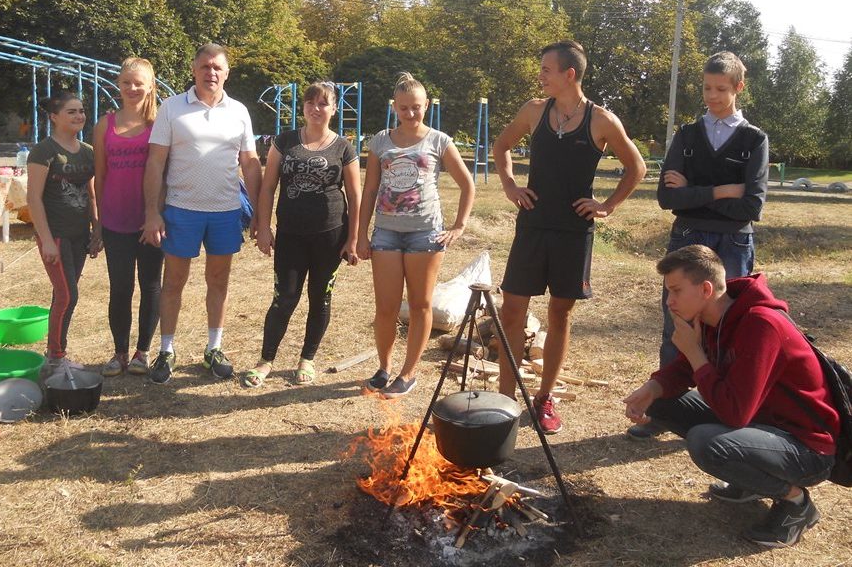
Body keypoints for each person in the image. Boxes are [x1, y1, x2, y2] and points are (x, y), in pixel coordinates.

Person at [624, 246, 838, 548]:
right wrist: (653, 388)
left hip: (808, 449)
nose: (669, 301)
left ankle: (796, 504)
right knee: (662, 400)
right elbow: (686, 370)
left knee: (707, 443)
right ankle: (749, 481)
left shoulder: (760, 324)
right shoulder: (715, 317)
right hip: (764, 425)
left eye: (676, 290)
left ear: (706, 289)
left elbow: (734, 413)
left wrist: (694, 352)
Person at [493, 40, 646, 433]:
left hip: (573, 232)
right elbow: (502, 145)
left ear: (569, 74)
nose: (540, 76)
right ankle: (505, 401)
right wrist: (510, 185)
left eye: (547, 70)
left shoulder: (602, 120)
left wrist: (608, 205)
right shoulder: (533, 110)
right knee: (512, 311)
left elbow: (637, 167)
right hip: (532, 225)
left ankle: (544, 398)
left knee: (560, 313)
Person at [629, 51, 768, 439]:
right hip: (688, 237)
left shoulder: (754, 139)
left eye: (721, 89)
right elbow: (666, 198)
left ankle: (725, 412)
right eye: (707, 88)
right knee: (676, 321)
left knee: (729, 328)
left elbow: (752, 206)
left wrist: (693, 191)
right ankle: (665, 413)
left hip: (733, 241)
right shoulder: (687, 136)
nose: (712, 96)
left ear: (738, 88)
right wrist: (722, 190)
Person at [141, 43, 262, 384]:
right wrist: (152, 213)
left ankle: (214, 348)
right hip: (181, 210)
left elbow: (250, 162)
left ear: (227, 73)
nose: (211, 72)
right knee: (173, 283)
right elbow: (155, 162)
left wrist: (260, 214)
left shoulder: (239, 111)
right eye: (205, 66)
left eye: (217, 67)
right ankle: (166, 351)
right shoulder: (172, 107)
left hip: (225, 211)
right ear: (194, 70)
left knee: (218, 281)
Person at [357, 72, 475, 398]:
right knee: (386, 308)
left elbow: (467, 184)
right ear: (394, 107)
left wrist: (459, 226)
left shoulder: (439, 141)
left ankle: (408, 374)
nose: (411, 113)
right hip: (386, 234)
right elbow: (369, 191)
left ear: (427, 105)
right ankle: (384, 368)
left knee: (421, 305)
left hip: (425, 235)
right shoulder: (380, 142)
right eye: (404, 107)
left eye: (417, 107)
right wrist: (361, 235)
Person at [242, 82, 362, 387]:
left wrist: (353, 239)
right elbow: (268, 187)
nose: (316, 108)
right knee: (283, 298)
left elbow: (355, 196)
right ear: (303, 107)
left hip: (331, 236)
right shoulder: (284, 141)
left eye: (323, 103)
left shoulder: (344, 147)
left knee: (320, 298)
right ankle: (265, 360)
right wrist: (264, 227)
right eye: (310, 102)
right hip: (290, 236)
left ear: (334, 109)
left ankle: (307, 359)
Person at [93, 58, 164, 377]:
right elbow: (99, 175)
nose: (132, 88)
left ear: (150, 86)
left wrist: (156, 215)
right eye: (126, 82)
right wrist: (98, 223)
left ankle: (142, 352)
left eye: (139, 83)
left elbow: (167, 174)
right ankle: (120, 352)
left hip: (151, 221)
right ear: (118, 85)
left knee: (151, 285)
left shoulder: (160, 124)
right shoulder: (104, 125)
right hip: (115, 221)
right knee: (120, 288)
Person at [26, 92, 100, 369]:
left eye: (81, 110)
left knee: (64, 294)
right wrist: (46, 240)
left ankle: (56, 351)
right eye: (71, 111)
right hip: (55, 235)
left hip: (80, 235)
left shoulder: (88, 151)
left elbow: (91, 194)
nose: (79, 116)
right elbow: (33, 199)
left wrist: (97, 229)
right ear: (54, 117)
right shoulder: (43, 151)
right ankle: (55, 356)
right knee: (68, 295)